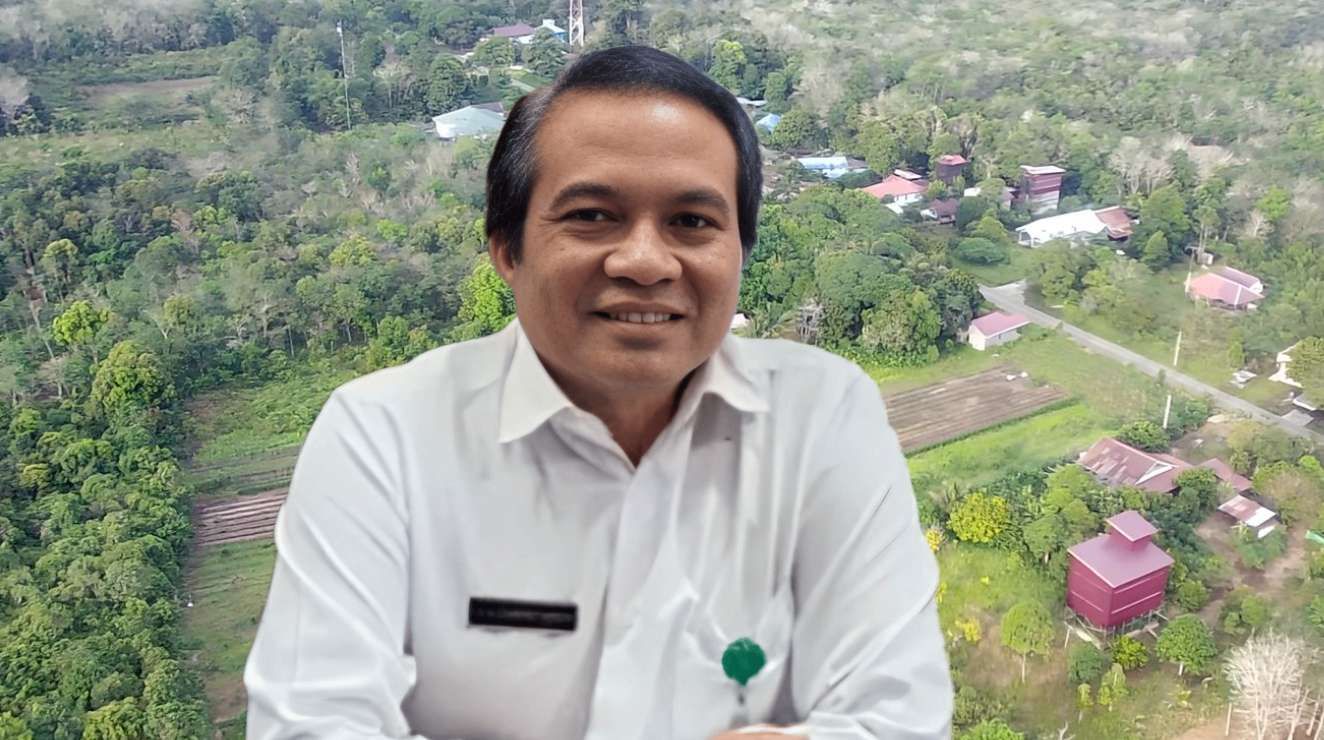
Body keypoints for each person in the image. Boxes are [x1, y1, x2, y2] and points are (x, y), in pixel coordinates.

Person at [244, 45, 951, 739]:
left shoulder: (824, 418)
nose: (645, 262)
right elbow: (311, 724)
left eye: (692, 222)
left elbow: (899, 715)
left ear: (740, 251)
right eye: (591, 215)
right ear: (507, 248)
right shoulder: (384, 437)